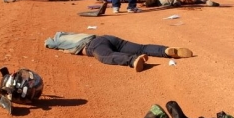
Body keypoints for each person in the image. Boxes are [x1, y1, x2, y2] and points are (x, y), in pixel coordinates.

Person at [44, 32, 193, 72]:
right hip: (106, 37)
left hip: (93, 45)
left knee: (105, 56)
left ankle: (133, 60)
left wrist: (59, 47)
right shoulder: (73, 34)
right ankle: (165, 50)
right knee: (141, 47)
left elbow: (48, 42)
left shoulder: (58, 40)